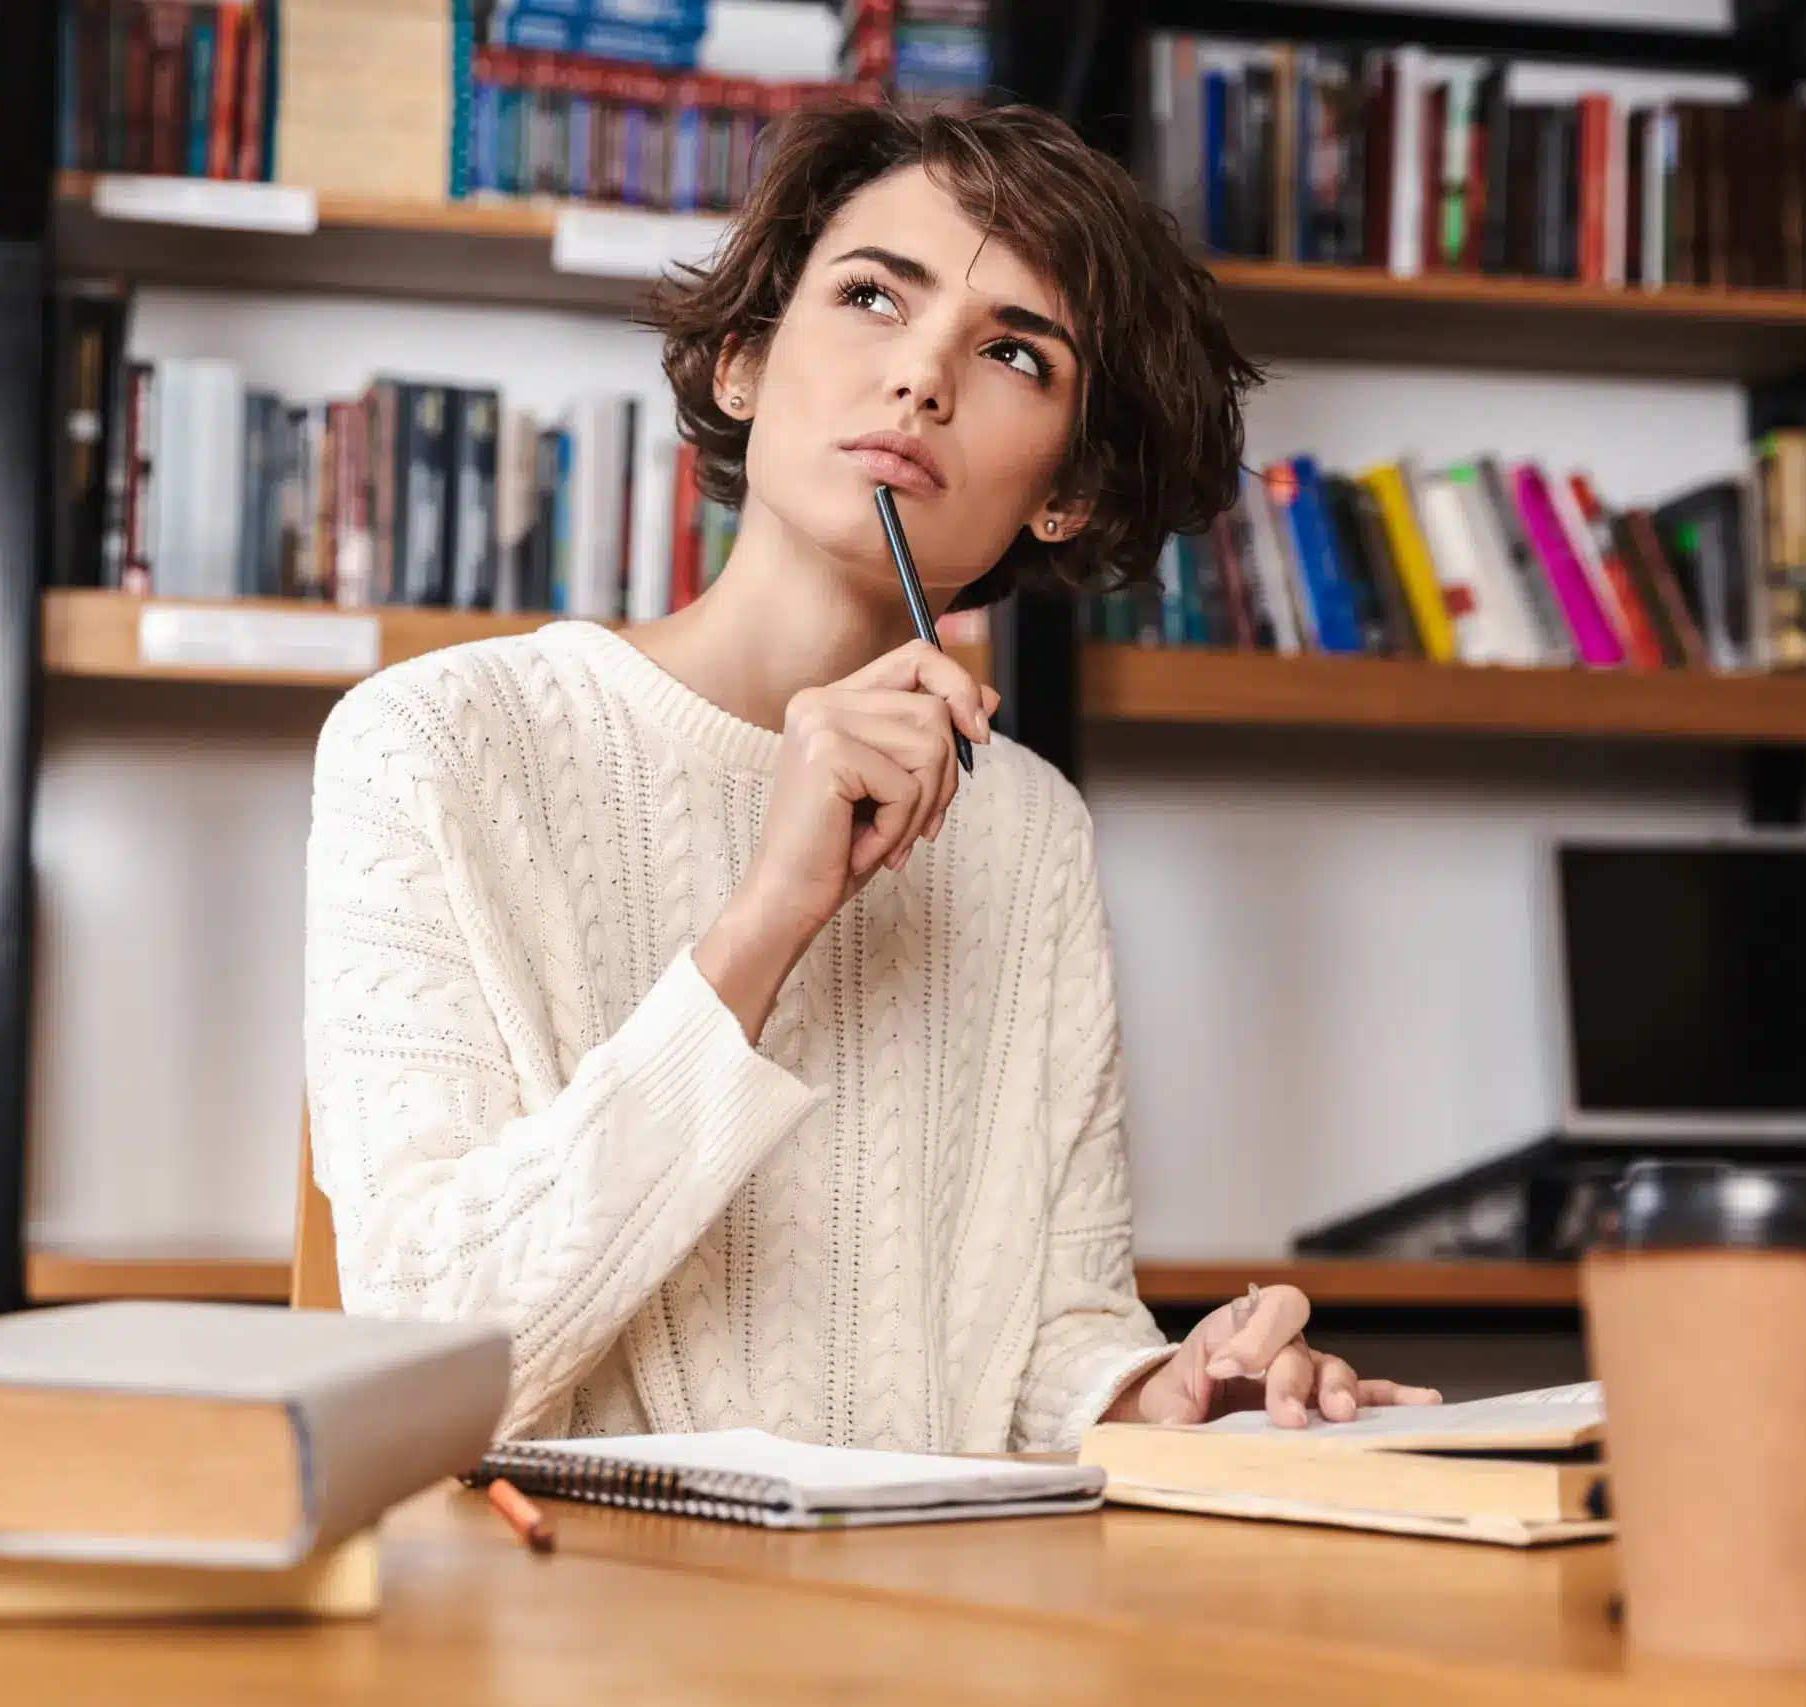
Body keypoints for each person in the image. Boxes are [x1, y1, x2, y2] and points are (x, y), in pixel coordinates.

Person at [304, 99, 1440, 1449]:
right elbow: (420, 1365)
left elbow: (1045, 1337)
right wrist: (767, 915)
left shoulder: (1025, 827)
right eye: (868, 297)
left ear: (1062, 495)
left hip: (939, 1616)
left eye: (1015, 352)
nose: (921, 379)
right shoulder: (433, 741)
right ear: (741, 361)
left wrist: (1160, 1389)